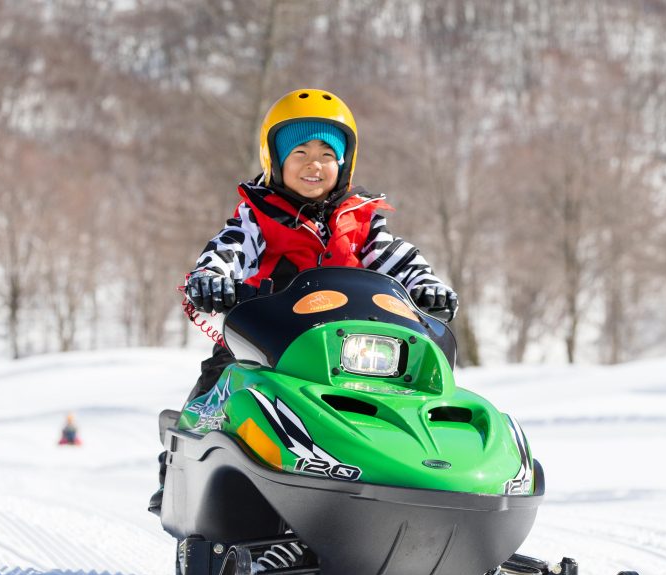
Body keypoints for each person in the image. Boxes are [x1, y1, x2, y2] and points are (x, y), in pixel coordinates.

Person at [149, 88, 457, 515]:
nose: (315, 164)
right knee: (219, 378)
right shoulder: (257, 218)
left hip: (344, 344)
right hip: (267, 338)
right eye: (300, 153)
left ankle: (413, 471)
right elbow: (229, 248)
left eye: (327, 154)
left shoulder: (361, 220)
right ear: (275, 160)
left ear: (344, 163)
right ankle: (178, 472)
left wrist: (425, 285)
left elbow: (397, 258)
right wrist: (211, 278)